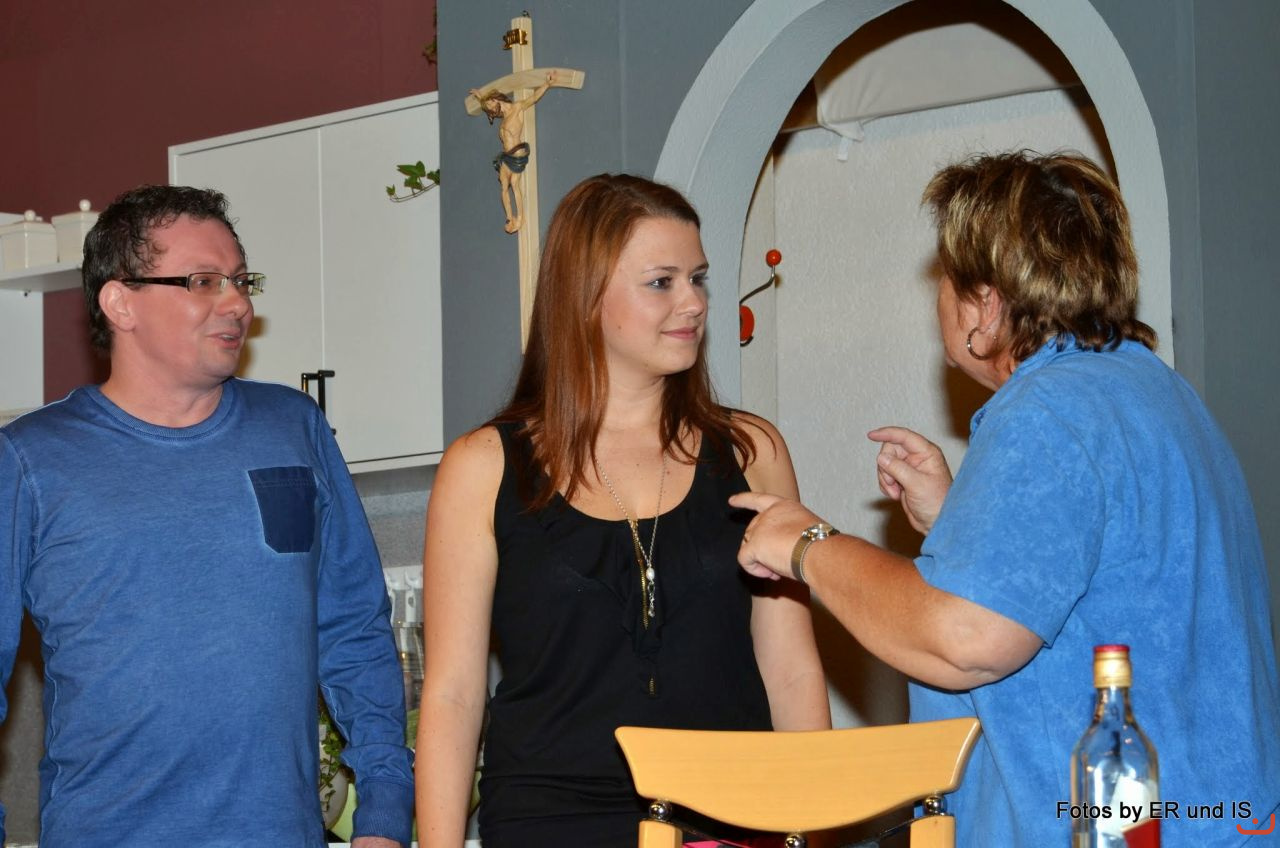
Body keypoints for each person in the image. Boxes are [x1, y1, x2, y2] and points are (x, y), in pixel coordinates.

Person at [732, 152, 1280, 847]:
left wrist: (809, 544)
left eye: (945, 277)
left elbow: (966, 642)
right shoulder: (1153, 391)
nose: (938, 296)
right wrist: (956, 516)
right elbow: (1101, 583)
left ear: (985, 306)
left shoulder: (1047, 413)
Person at [415, 174, 831, 847]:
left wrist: (808, 833)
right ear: (585, 297)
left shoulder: (751, 451)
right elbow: (454, 693)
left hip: (732, 817)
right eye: (661, 282)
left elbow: (791, 668)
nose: (694, 302)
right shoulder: (481, 467)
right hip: (549, 824)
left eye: (698, 279)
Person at [0, 185, 413, 847]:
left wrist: (386, 814)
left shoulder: (294, 428)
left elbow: (353, 630)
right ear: (120, 302)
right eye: (203, 281)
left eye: (241, 280)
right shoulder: (29, 460)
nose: (238, 303)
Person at [470, 71, 557, 233]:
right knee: (504, 186)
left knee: (514, 184)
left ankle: (520, 218)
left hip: (517, 154)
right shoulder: (502, 116)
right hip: (505, 156)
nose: (491, 110)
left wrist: (547, 84)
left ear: (495, 100)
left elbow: (533, 98)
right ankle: (510, 218)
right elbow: (488, 106)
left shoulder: (517, 108)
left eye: (490, 106)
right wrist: (480, 97)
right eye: (489, 108)